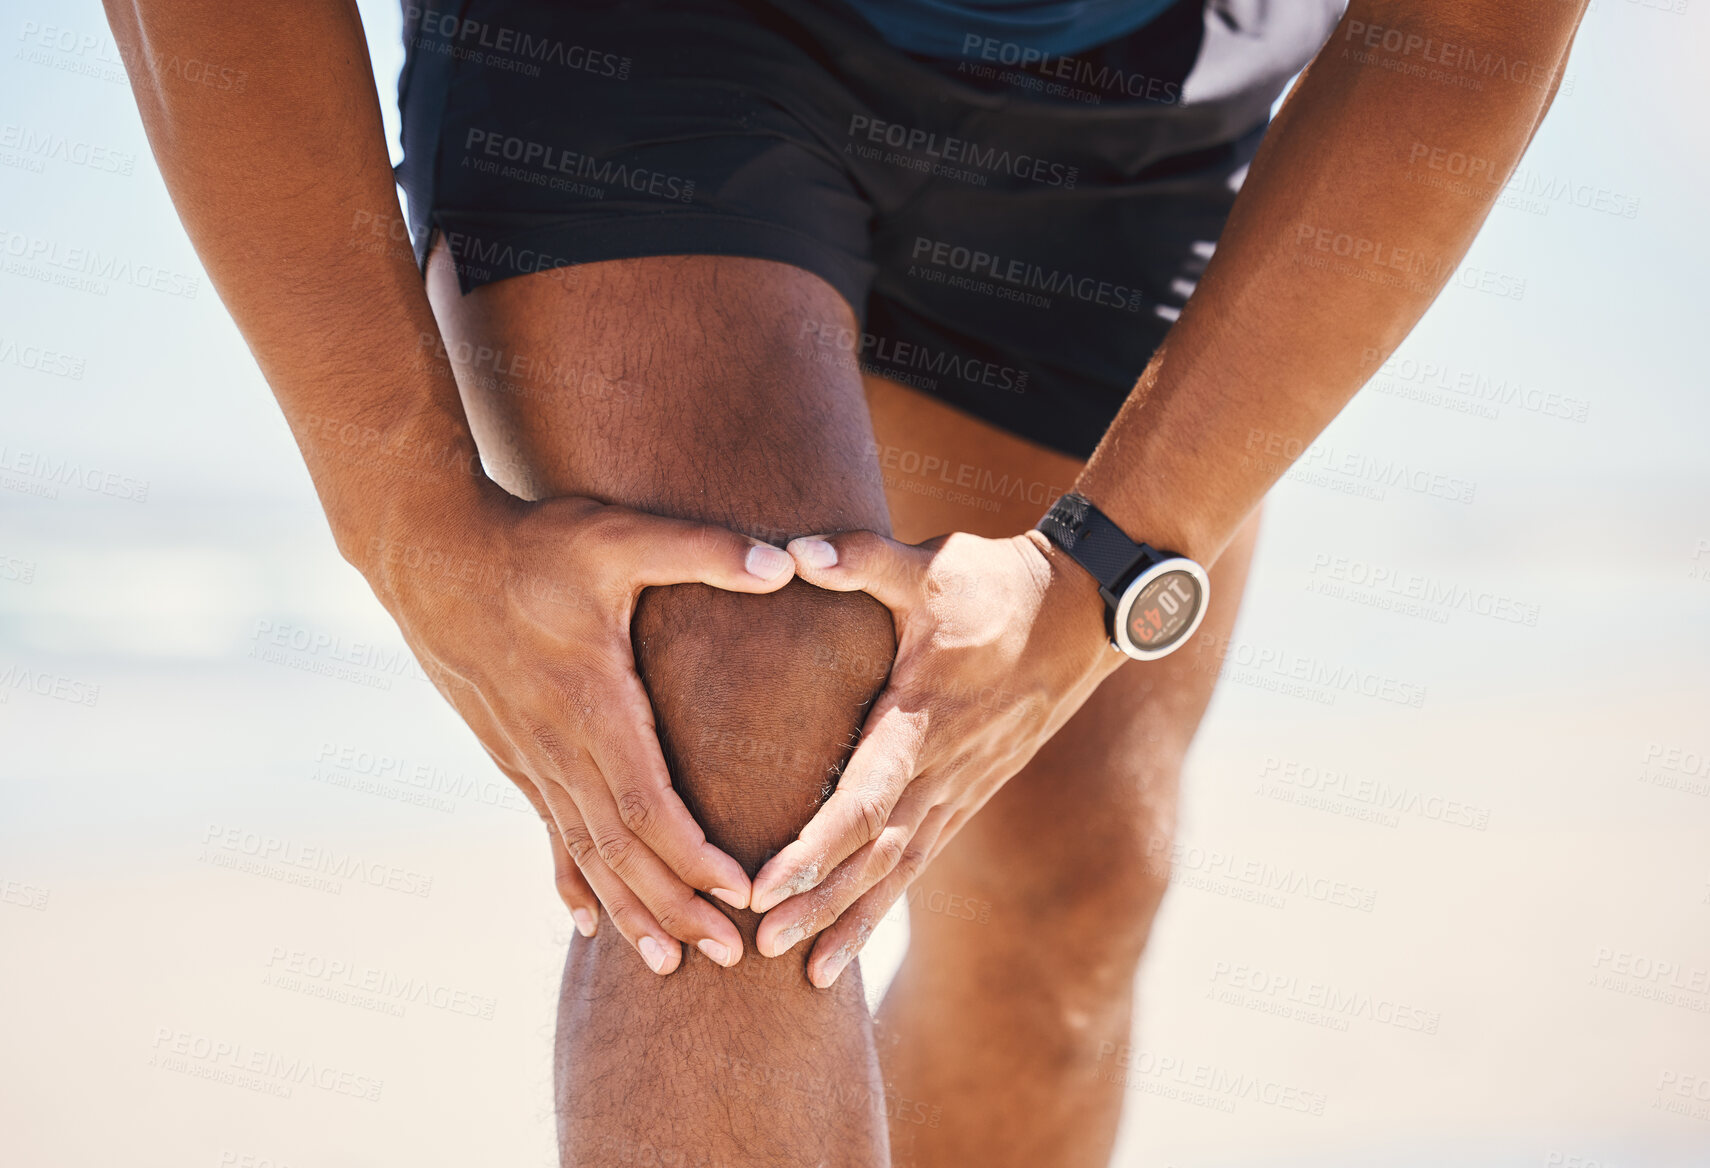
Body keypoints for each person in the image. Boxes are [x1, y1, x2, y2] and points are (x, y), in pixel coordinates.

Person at [102, 0, 1585, 1163]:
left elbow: (1476, 26)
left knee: (1069, 885)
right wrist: (401, 518)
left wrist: (1107, 569)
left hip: (1135, 94)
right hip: (634, 45)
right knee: (746, 758)